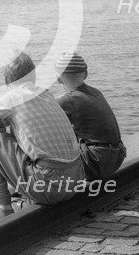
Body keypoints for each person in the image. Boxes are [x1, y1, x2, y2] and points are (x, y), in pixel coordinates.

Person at [0, 52, 86, 226]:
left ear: (8, 83)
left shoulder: (13, 97)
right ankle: (18, 196)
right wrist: (1, 120)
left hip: (49, 186)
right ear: (33, 77)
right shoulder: (45, 93)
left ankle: (3, 209)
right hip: (76, 179)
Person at [54, 51, 126, 181]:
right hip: (117, 157)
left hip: (96, 162)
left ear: (58, 78)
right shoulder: (96, 92)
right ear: (86, 74)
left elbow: (45, 116)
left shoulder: (68, 100)